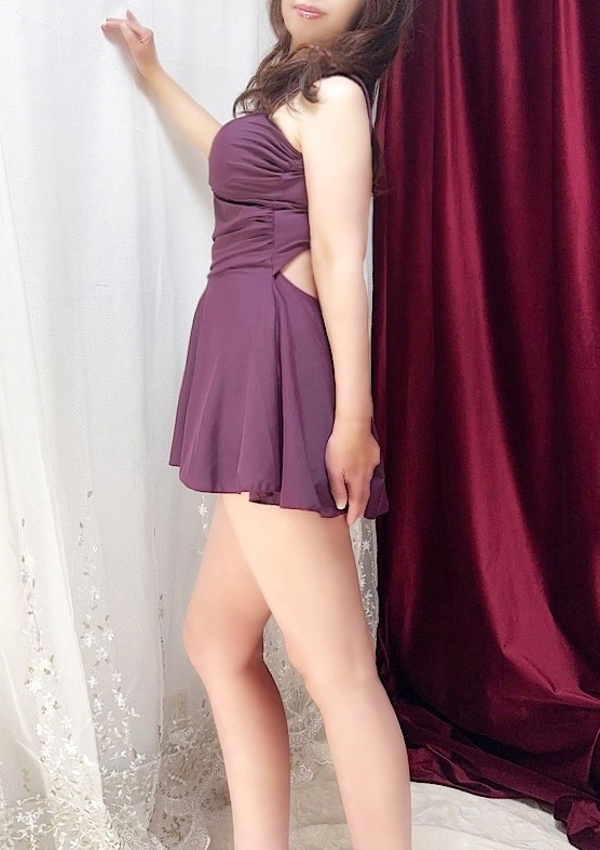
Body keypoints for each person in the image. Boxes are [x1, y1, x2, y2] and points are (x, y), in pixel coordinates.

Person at [101, 3, 416, 849]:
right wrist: (154, 75)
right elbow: (230, 157)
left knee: (336, 668)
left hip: (276, 366)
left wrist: (354, 418)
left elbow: (342, 261)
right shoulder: (293, 94)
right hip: (244, 359)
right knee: (215, 637)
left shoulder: (336, 96)